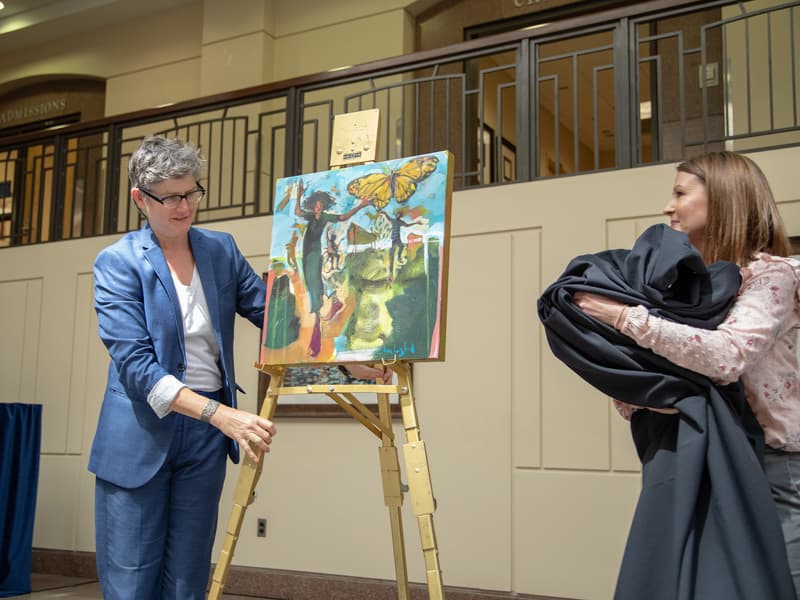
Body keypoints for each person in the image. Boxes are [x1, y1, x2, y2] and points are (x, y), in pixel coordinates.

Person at [573, 151, 800, 596]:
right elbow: (674, 376)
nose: (668, 207)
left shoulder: (772, 277)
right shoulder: (700, 287)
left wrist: (622, 318)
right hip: (717, 457)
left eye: (680, 193)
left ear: (723, 200)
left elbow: (725, 356)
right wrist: (637, 393)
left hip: (778, 470)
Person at [88, 136, 278, 599]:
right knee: (133, 579)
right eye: (170, 197)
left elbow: (276, 318)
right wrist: (222, 416)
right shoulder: (117, 262)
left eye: (191, 192)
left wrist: (350, 357)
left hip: (204, 440)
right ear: (140, 198)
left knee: (187, 579)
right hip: (143, 432)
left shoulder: (221, 249)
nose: (184, 206)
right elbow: (137, 366)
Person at [294, 183, 370, 357]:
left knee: (315, 287)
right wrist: (298, 195)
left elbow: (343, 217)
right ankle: (328, 308)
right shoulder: (311, 216)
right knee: (312, 285)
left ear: (324, 206)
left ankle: (317, 327)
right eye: (316, 204)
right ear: (313, 205)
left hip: (315, 254)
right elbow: (297, 212)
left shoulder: (325, 217)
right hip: (307, 254)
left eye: (321, 204)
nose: (318, 207)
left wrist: (360, 206)